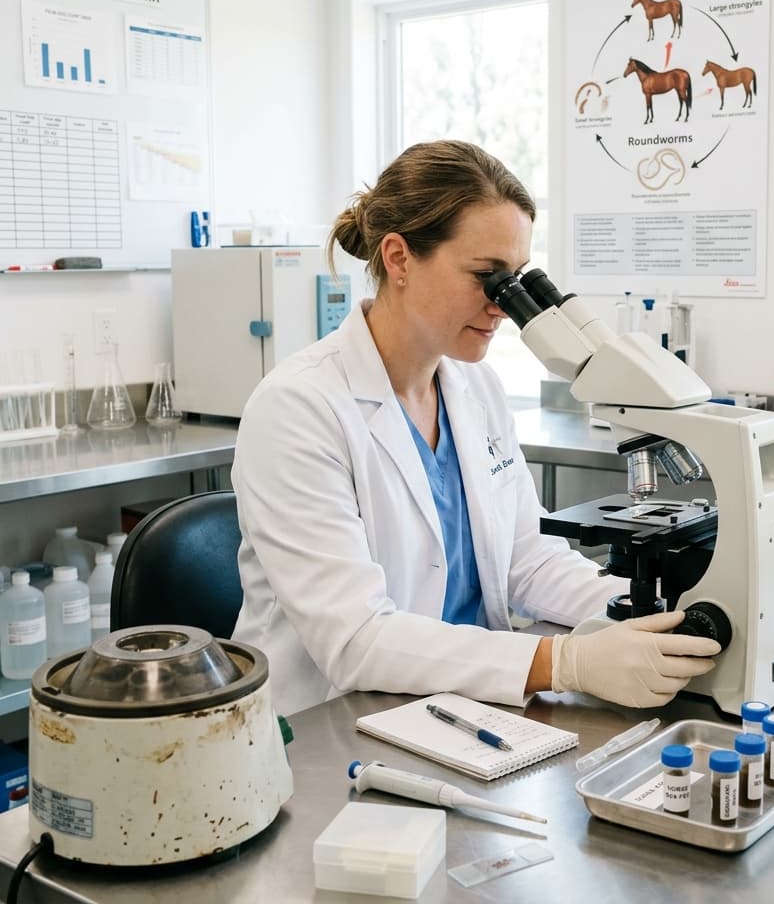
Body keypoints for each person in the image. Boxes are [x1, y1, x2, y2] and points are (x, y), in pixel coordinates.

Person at [231, 140, 720, 716]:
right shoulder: (299, 408)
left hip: (461, 709)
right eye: (486, 278)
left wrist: (654, 614)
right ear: (398, 259)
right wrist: (566, 663)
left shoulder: (474, 389)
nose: (503, 307)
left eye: (515, 280)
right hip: (330, 724)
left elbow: (526, 561)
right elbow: (356, 639)